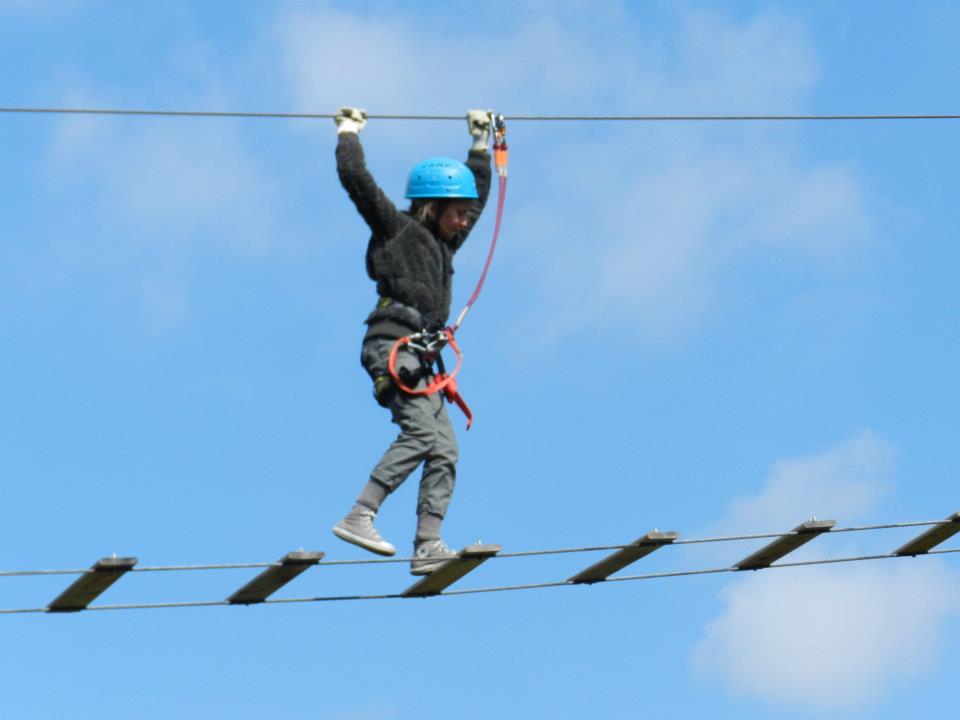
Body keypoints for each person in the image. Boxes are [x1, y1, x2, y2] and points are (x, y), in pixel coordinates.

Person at [331, 106, 492, 575]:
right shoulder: (397, 230)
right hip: (393, 346)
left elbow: (476, 199)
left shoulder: (444, 246)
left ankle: (427, 544)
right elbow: (356, 180)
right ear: (434, 207)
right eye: (457, 214)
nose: (464, 222)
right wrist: (348, 133)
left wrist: (479, 148)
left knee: (444, 447)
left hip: (420, 357)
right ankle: (361, 513)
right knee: (421, 433)